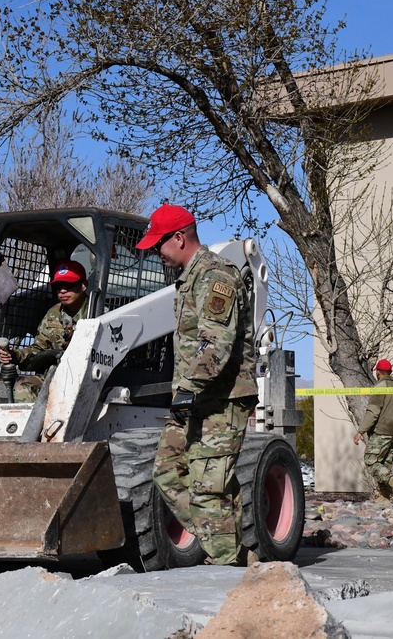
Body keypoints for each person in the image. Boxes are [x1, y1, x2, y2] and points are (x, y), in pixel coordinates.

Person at [136, 204, 257, 566]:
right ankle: (232, 551)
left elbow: (215, 345)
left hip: (221, 399)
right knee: (168, 470)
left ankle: (224, 568)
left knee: (209, 488)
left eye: (159, 244)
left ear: (179, 237)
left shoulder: (215, 276)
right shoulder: (189, 279)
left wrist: (185, 393)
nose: (156, 252)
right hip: (195, 397)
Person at [0, 260, 89, 402]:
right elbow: (39, 348)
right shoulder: (53, 314)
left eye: (69, 285)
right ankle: (33, 424)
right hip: (55, 376)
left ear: (84, 286)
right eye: (59, 286)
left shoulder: (99, 313)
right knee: (23, 386)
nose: (63, 291)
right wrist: (15, 355)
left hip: (87, 380)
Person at [353, 359, 393, 501]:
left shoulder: (379, 388)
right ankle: (386, 496)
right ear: (390, 372)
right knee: (384, 464)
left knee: (371, 461)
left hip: (382, 432)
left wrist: (361, 431)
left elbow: (373, 412)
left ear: (378, 372)